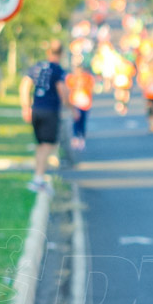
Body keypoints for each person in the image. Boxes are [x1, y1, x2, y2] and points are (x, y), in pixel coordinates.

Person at [19, 40, 68, 193]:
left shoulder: (37, 67)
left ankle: (38, 176)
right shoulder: (57, 70)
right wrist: (70, 107)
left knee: (41, 146)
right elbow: (62, 90)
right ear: (61, 54)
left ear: (49, 53)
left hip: (36, 110)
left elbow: (24, 85)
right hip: (50, 111)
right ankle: (39, 178)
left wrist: (26, 107)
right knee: (48, 146)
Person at [65, 59, 95, 151]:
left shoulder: (87, 78)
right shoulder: (71, 78)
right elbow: (68, 88)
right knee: (75, 120)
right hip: (75, 102)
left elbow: (90, 88)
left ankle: (81, 138)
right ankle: (75, 137)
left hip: (85, 103)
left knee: (83, 120)